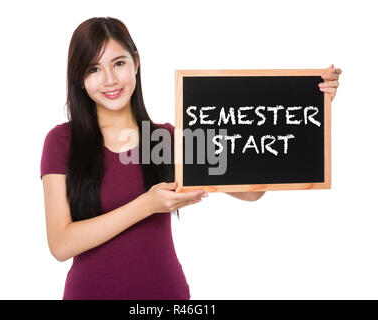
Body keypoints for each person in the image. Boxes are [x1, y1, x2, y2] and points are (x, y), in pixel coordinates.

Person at [40, 17, 342, 300]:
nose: (109, 79)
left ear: (136, 63)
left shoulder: (169, 140)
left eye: (118, 63)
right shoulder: (63, 142)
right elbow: (61, 243)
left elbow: (252, 190)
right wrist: (147, 205)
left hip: (165, 294)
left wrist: (309, 103)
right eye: (93, 69)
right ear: (79, 78)